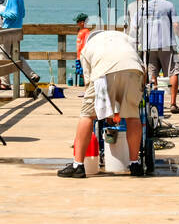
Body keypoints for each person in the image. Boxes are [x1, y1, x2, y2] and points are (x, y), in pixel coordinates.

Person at [58, 29, 147, 178]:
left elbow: (89, 82)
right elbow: (140, 63)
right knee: (133, 115)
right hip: (133, 69)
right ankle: (134, 164)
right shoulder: (124, 38)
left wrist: (103, 111)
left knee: (87, 115)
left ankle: (78, 165)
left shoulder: (87, 48)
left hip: (104, 71)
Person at [142, 0, 179, 114]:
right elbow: (176, 24)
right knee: (174, 71)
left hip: (149, 45)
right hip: (167, 44)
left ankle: (154, 103)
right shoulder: (169, 5)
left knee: (152, 73)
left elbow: (136, 25)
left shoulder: (144, 6)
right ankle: (173, 103)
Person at [72, 12, 90, 86]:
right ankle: (86, 89)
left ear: (82, 22)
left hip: (83, 56)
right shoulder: (80, 31)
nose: (76, 23)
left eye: (77, 22)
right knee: (81, 73)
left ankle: (87, 89)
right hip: (78, 56)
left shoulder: (86, 32)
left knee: (85, 74)